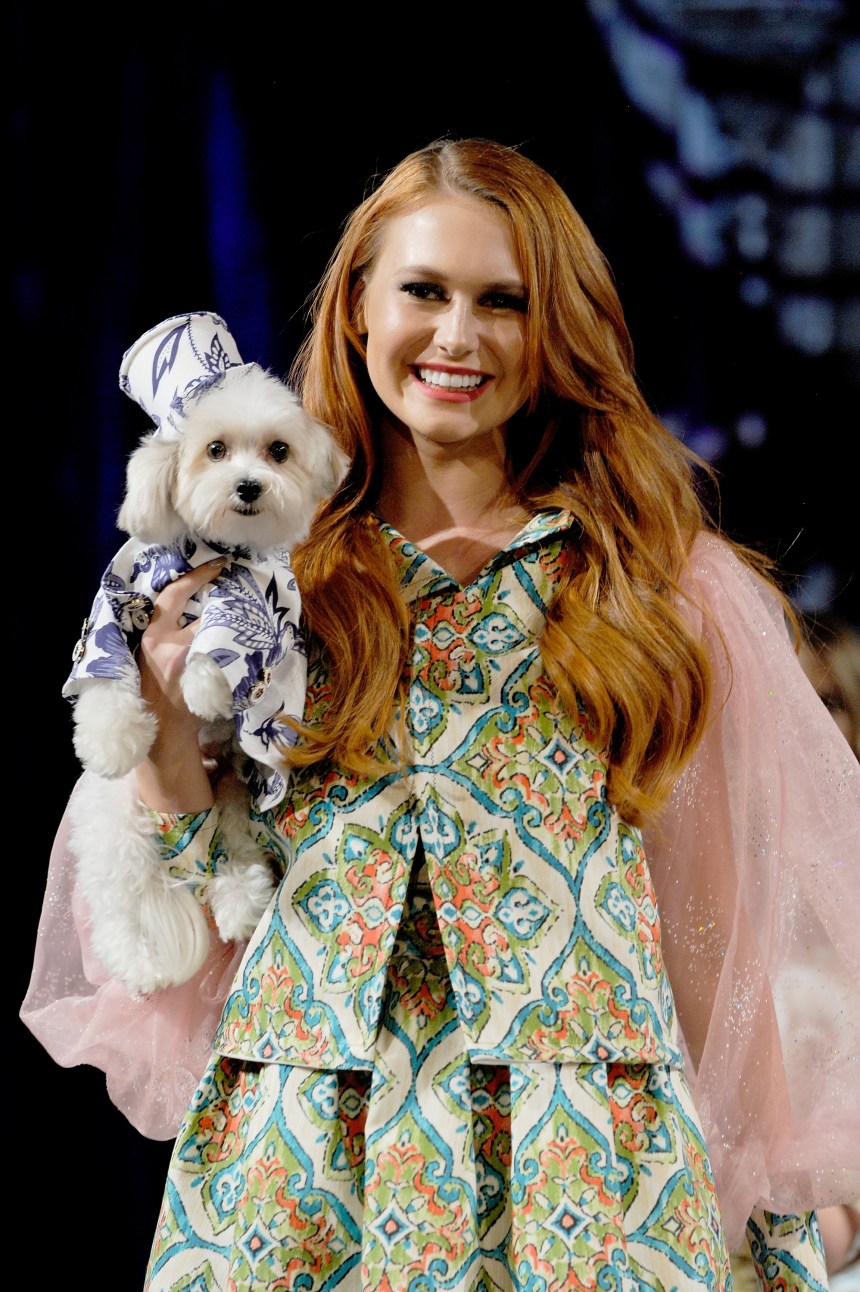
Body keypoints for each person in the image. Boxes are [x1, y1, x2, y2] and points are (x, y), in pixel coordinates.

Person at [22, 137, 860, 1291]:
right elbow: (189, 917)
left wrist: (767, 1190)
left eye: (501, 301)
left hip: (588, 1165)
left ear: (555, 327)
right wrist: (165, 720)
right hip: (305, 1163)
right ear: (358, 306)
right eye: (423, 290)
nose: (457, 336)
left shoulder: (653, 587)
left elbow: (721, 927)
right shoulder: (270, 578)